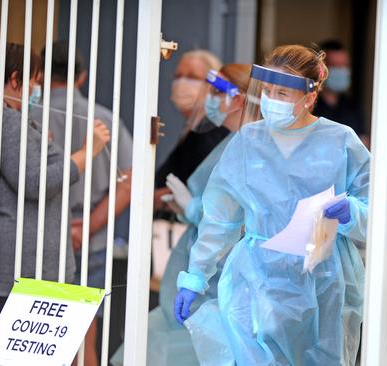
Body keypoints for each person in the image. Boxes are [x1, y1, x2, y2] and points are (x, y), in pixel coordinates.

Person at [173, 45, 369, 365]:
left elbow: (375, 205)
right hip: (255, 276)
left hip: (323, 279)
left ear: (309, 96)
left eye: (283, 93)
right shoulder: (248, 141)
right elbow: (220, 217)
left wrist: (354, 213)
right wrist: (196, 275)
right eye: (267, 90)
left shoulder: (341, 141)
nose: (271, 100)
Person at [110, 63, 256, 366]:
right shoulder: (233, 143)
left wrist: (194, 208)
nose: (210, 99)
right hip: (204, 267)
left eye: (217, 92)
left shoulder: (253, 148)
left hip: (224, 274)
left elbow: (242, 214)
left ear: (240, 99)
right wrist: (189, 209)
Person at [0, 43, 110, 364]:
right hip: (20, 266)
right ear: (16, 79)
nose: (37, 90)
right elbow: (36, 182)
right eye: (34, 82)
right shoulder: (5, 120)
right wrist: (88, 150)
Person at [30, 40, 133, 366]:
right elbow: (129, 182)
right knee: (85, 337)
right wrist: (89, 226)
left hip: (36, 237)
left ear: (40, 75)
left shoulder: (26, 118)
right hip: (91, 239)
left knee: (36, 335)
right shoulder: (104, 120)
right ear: (82, 76)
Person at [154, 50, 228, 186]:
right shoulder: (194, 128)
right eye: (178, 76)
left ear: (214, 86)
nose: (182, 83)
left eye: (192, 77)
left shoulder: (209, 131)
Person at [313, 40, 367, 145]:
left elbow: (363, 143)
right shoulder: (309, 105)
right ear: (321, 69)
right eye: (335, 65)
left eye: (344, 65)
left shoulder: (353, 106)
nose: (341, 70)